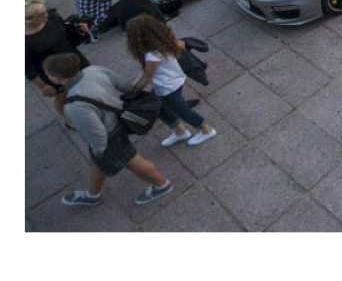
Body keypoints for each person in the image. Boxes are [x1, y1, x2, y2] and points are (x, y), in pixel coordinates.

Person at [46, 53, 174, 208]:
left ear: (56, 78)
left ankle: (162, 185)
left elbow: (97, 133)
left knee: (132, 161)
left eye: (48, 74)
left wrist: (99, 151)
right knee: (100, 163)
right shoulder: (94, 70)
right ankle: (93, 195)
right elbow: (124, 86)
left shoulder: (74, 105)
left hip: (109, 135)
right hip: (119, 117)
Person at [126, 14, 218, 148]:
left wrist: (135, 90)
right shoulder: (164, 41)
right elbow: (147, 71)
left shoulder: (151, 55)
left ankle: (206, 130)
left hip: (167, 88)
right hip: (174, 80)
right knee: (162, 109)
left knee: (183, 111)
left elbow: (148, 76)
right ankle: (180, 132)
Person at [25, 0, 88, 127]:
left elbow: (64, 31)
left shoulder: (51, 17)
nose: (46, 14)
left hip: (72, 58)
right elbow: (27, 67)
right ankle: (69, 120)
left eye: (45, 11)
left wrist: (79, 29)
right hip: (52, 71)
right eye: (42, 14)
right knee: (61, 95)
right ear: (30, 20)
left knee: (85, 79)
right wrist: (43, 86)